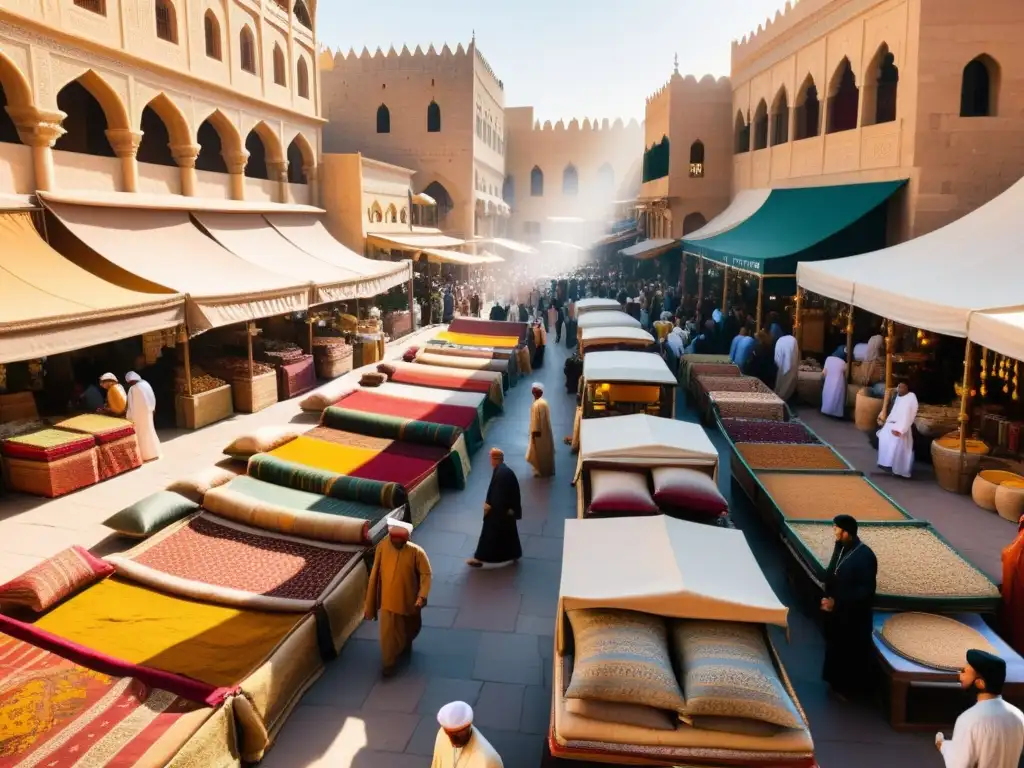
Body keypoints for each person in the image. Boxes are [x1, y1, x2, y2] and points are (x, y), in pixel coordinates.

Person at [364, 518, 432, 677]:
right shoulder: (382, 546)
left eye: (400, 541)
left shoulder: (417, 552)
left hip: (408, 601)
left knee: (409, 628)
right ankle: (389, 663)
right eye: (393, 540)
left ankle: (405, 644)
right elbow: (375, 573)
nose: (395, 543)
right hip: (388, 601)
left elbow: (426, 574)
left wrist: (422, 596)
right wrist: (372, 599)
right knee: (387, 633)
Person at [821, 514, 877, 700]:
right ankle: (834, 684)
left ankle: (849, 691)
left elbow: (866, 591)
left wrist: (837, 602)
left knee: (849, 653)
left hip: (854, 617)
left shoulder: (865, 556)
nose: (834, 532)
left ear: (847, 532)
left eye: (837, 529)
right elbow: (832, 574)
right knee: (836, 648)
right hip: (838, 612)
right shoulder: (842, 548)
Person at [937, 649, 1024, 768]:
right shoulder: (1018, 715)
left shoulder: (968, 719)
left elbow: (959, 764)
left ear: (980, 683)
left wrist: (943, 745)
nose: (959, 676)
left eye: (964, 672)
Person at [467, 448, 522, 569]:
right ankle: (514, 553)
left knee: (489, 534)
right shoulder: (504, 471)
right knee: (509, 534)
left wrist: (490, 510)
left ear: (494, 459)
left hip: (500, 511)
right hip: (508, 510)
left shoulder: (501, 474)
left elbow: (498, 496)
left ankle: (479, 558)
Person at [431, 701, 503, 767]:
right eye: (450, 733)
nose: (454, 740)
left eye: (458, 733)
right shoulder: (442, 734)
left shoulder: (488, 758)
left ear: (468, 726)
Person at [876, 381, 919, 478]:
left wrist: (900, 429)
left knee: (897, 447)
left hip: (902, 428)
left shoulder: (911, 397)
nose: (900, 389)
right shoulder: (898, 397)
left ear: (908, 388)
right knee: (884, 438)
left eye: (902, 387)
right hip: (891, 424)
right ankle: (886, 465)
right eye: (899, 387)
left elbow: (909, 416)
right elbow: (893, 412)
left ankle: (897, 470)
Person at [125, 371, 160, 461]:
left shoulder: (134, 388)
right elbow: (152, 398)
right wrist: (152, 409)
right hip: (148, 413)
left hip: (139, 416)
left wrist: (129, 417)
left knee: (142, 434)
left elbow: (132, 405)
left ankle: (145, 455)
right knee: (150, 431)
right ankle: (154, 452)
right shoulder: (145, 384)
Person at [526, 382, 555, 477]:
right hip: (544, 432)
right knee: (545, 451)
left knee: (539, 452)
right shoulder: (543, 402)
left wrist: (534, 432)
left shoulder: (538, 404)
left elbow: (537, 421)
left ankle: (541, 471)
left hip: (539, 433)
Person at [820, 352, 848, 418]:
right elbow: (846, 374)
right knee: (837, 397)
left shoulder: (828, 359)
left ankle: (825, 410)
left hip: (828, 382)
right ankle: (836, 414)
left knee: (827, 394)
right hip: (839, 383)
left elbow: (824, 373)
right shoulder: (843, 363)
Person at [773, 332, 799, 401]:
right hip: (789, 364)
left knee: (781, 376)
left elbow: (777, 358)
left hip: (781, 364)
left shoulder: (780, 340)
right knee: (788, 378)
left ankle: (778, 396)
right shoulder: (793, 340)